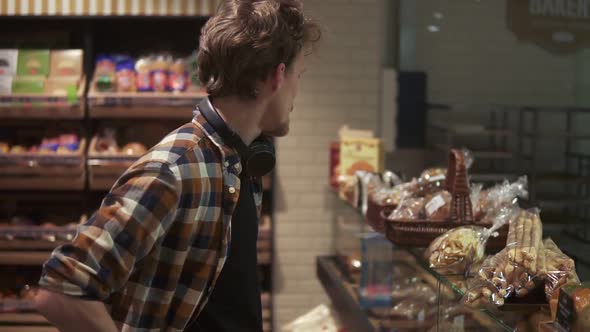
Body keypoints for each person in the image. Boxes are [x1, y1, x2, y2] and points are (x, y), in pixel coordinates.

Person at [33, 1, 320, 331]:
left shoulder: (240, 162)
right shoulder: (174, 169)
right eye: (299, 75)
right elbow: (59, 292)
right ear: (278, 76)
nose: (297, 90)